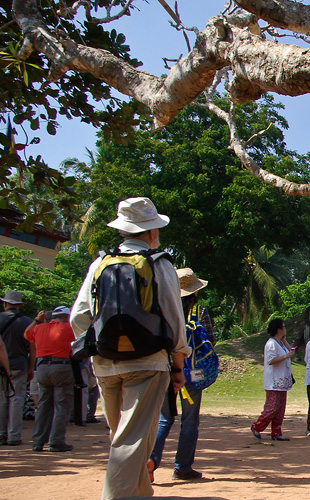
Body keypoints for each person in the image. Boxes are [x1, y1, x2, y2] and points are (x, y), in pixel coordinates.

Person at [69, 197, 189, 500]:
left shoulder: (100, 263)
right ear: (151, 232)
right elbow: (175, 320)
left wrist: (98, 351)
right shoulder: (158, 264)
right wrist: (178, 366)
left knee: (125, 437)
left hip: (106, 364)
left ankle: (141, 492)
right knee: (130, 442)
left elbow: (78, 317)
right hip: (148, 363)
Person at [148, 268, 213, 481]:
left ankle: (151, 460)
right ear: (193, 294)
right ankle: (183, 467)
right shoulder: (199, 313)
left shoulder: (160, 313)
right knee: (190, 421)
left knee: (164, 418)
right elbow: (210, 341)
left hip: (166, 370)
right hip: (193, 373)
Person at [25, 306, 76, 452]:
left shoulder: (39, 328)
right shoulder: (68, 328)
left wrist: (36, 320)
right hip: (61, 367)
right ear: (66, 317)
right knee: (61, 406)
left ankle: (38, 442)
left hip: (42, 368)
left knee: (43, 406)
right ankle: (56, 441)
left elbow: (26, 334)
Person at [251, 318, 294, 441]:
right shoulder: (271, 344)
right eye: (283, 327)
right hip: (274, 381)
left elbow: (291, 351)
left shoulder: (280, 343)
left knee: (280, 408)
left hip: (282, 380)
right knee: (272, 407)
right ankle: (257, 426)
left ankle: (276, 432)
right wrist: (286, 356)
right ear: (279, 329)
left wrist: (285, 341)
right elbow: (271, 360)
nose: (285, 329)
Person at [0, 290, 33, 447]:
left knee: (1, 399)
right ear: (19, 305)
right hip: (19, 364)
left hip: (1, 366)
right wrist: (31, 367)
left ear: (5, 304)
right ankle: (14, 435)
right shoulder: (27, 322)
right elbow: (32, 348)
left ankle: (1, 433)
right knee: (17, 399)